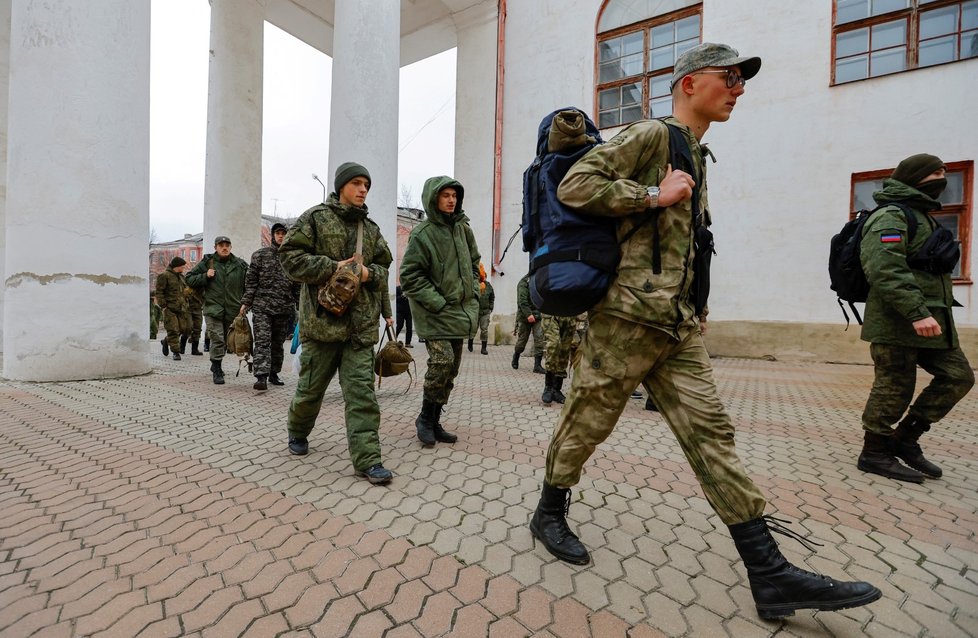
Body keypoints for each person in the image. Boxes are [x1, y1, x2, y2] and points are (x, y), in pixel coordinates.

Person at [528, 42, 881, 620]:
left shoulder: (696, 152)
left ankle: (770, 575)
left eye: (743, 80)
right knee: (586, 425)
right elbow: (576, 186)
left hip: (677, 327)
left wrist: (697, 303)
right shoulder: (650, 135)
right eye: (730, 77)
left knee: (713, 436)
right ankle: (549, 511)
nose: (739, 88)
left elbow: (689, 246)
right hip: (625, 320)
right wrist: (650, 194)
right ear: (691, 83)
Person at [857, 153, 974, 483]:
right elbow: (884, 269)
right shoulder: (892, 216)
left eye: (944, 172)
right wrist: (916, 312)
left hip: (931, 322)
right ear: (914, 176)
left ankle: (904, 439)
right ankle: (874, 452)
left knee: (958, 377)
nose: (942, 178)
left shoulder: (925, 217)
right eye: (935, 172)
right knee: (894, 387)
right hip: (899, 321)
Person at [278, 162, 394, 485]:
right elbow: (289, 257)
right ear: (341, 186)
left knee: (362, 397)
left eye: (366, 186)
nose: (362, 190)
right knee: (309, 392)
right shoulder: (315, 219)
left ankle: (368, 460)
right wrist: (330, 267)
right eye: (356, 183)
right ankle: (297, 430)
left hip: (359, 330)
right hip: (323, 327)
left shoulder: (370, 231)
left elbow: (385, 271)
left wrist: (369, 274)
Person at [400, 176, 481, 447]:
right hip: (435, 311)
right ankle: (424, 418)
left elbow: (474, 262)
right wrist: (438, 302)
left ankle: (435, 419)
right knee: (441, 362)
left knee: (452, 368)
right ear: (434, 199)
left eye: (454, 195)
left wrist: (474, 293)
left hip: (460, 309)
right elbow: (410, 275)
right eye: (445, 195)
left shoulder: (463, 229)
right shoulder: (422, 234)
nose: (450, 200)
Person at [241, 223, 299, 391]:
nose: (281, 236)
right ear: (273, 236)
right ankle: (261, 376)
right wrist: (246, 303)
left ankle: (274, 373)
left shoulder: (292, 258)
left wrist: (301, 305)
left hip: (284, 307)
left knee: (277, 343)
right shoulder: (260, 255)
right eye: (278, 233)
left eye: (283, 233)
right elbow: (250, 281)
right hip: (262, 307)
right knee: (262, 341)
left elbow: (298, 285)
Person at [185, 236, 249, 385]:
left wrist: (246, 303)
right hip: (213, 308)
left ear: (231, 247)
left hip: (233, 309)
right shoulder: (208, 262)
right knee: (217, 338)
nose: (224, 247)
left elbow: (250, 283)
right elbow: (189, 278)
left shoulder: (240, 265)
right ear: (216, 247)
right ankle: (217, 368)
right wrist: (205, 276)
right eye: (221, 245)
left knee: (227, 341)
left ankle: (216, 363)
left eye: (227, 245)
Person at [155, 257, 191, 360]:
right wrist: (163, 305)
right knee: (173, 330)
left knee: (184, 329)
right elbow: (159, 292)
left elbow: (184, 291)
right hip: (170, 308)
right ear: (177, 266)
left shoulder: (181, 277)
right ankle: (176, 352)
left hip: (182, 308)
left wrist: (188, 295)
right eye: (182, 266)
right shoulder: (164, 276)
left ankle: (166, 341)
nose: (183, 268)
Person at [540, 313, 575, 405]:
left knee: (564, 350)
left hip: (569, 314)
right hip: (551, 312)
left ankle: (556, 390)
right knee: (554, 345)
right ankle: (548, 387)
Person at [513, 273, 545, 373]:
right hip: (525, 316)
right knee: (522, 341)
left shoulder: (539, 281)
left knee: (539, 338)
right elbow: (522, 301)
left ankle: (537, 365)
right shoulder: (523, 283)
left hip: (538, 316)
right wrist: (528, 314)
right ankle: (516, 356)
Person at [474, 262, 494, 355]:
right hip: (475, 311)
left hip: (485, 312)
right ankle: (470, 343)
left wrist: (491, 306)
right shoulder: (475, 285)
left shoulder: (489, 286)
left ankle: (484, 348)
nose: (483, 278)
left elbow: (492, 297)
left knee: (484, 330)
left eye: (484, 277)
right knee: (473, 329)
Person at [186, 284, 204, 356]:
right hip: (188, 309)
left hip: (198, 309)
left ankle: (194, 349)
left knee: (198, 328)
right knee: (187, 328)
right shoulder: (189, 285)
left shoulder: (203, 286)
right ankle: (181, 347)